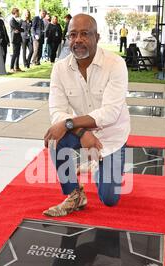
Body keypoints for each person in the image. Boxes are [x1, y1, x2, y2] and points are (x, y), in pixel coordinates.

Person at [43, 14, 130, 217]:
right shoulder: (60, 68)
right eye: (73, 35)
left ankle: (100, 166)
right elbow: (57, 111)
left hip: (112, 135)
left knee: (109, 200)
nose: (78, 40)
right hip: (80, 130)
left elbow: (110, 113)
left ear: (97, 37)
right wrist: (81, 132)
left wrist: (70, 123)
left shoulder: (115, 64)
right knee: (55, 138)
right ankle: (75, 194)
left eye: (84, 34)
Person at [9, 8, 24, 72]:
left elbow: (20, 29)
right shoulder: (12, 20)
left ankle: (17, 67)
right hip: (14, 39)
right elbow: (18, 28)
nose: (19, 13)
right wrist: (20, 27)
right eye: (17, 12)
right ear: (14, 13)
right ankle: (11, 67)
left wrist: (20, 29)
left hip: (18, 38)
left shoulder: (17, 20)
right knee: (15, 53)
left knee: (18, 53)